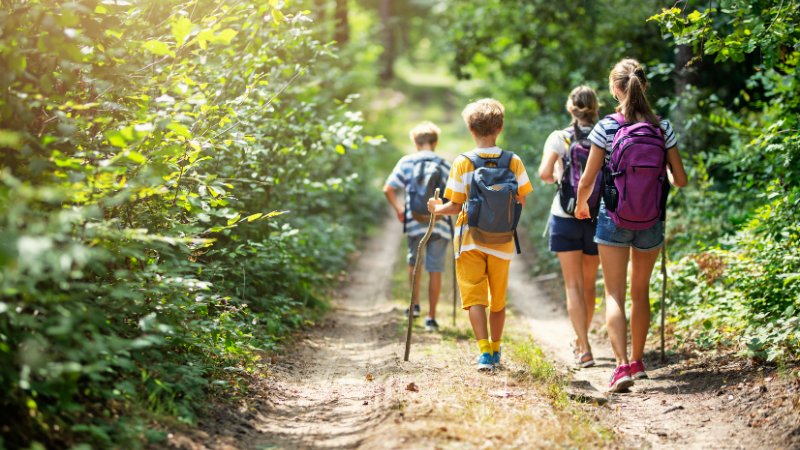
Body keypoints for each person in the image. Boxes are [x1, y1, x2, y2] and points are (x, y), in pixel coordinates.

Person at [575, 59, 688, 392]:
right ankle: (639, 364)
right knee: (641, 293)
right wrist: (653, 179)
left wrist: (582, 205)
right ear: (644, 85)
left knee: (614, 293)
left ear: (614, 88)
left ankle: (620, 366)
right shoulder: (661, 127)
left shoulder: (607, 126)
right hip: (651, 219)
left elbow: (587, 179)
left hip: (613, 217)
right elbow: (680, 179)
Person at [428, 99, 533, 370]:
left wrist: (435, 209)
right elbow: (521, 199)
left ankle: (484, 351)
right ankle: (498, 349)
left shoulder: (463, 162)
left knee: (475, 297)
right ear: (500, 127)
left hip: (469, 240)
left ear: (470, 129)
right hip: (503, 241)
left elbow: (453, 206)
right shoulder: (514, 161)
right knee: (498, 300)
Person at [537, 86, 601, 368]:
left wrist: (559, 180)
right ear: (596, 107)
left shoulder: (559, 137)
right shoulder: (605, 134)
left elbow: (544, 173)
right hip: (597, 216)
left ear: (570, 108)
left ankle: (584, 347)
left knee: (572, 285)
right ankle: (581, 340)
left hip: (564, 216)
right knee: (589, 286)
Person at [384, 121, 452, 332]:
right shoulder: (444, 164)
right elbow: (455, 194)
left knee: (414, 261)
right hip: (439, 223)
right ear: (435, 142)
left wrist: (399, 209)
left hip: (414, 221)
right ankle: (431, 317)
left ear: (415, 143)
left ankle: (414, 306)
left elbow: (388, 188)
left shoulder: (406, 162)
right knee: (436, 268)